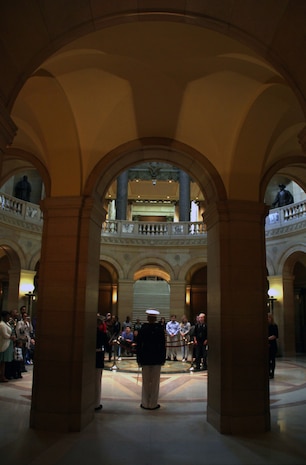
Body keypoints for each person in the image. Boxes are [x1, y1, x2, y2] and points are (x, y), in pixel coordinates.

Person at [136, 309, 166, 410]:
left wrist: (139, 359)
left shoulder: (143, 329)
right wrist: (163, 359)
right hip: (156, 358)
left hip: (145, 358)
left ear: (148, 318)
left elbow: (139, 345)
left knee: (145, 382)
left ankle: (145, 403)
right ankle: (153, 403)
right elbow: (163, 345)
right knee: (155, 382)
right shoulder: (159, 329)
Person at [95, 314, 109, 411]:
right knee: (96, 382)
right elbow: (107, 346)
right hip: (98, 357)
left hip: (88, 359)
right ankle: (96, 403)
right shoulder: (101, 334)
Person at [0, 311, 16, 382]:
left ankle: (3, 375)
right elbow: (4, 334)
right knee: (2, 362)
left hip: (8, 343)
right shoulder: (2, 324)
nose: (8, 318)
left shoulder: (7, 323)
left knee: (5, 362)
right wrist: (11, 337)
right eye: (7, 316)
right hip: (4, 344)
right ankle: (1, 376)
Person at [268, 312, 278, 379]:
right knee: (267, 360)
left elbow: (276, 335)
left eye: (269, 317)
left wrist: (268, 338)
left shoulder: (274, 326)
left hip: (272, 345)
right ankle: (268, 372)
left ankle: (272, 373)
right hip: (266, 346)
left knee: (272, 359)